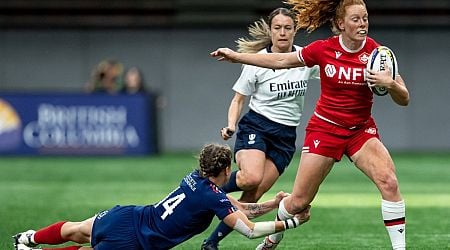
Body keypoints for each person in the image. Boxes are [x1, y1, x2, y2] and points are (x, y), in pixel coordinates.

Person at [210, 0, 410, 249]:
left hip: (360, 131)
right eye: (356, 19)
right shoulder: (323, 49)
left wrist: (391, 84)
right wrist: (236, 56)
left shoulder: (377, 53)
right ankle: (275, 237)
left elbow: (404, 98)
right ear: (340, 24)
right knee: (297, 203)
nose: (363, 25)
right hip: (324, 130)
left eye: (365, 18)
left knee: (389, 182)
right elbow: (281, 61)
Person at [13, 143, 311, 250]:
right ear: (225, 169)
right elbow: (248, 230)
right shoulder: (212, 197)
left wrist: (272, 203)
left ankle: (29, 238)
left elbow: (238, 207)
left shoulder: (197, 180)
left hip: (129, 215)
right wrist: (292, 222)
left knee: (76, 229)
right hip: (137, 243)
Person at [202, 7, 319, 250]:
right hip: (257, 126)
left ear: (295, 31)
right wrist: (231, 125)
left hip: (286, 136)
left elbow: (332, 69)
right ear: (270, 30)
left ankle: (211, 243)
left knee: (252, 198)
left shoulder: (305, 58)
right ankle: (205, 186)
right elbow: (238, 99)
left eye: (288, 28)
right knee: (251, 178)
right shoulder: (256, 62)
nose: (283, 32)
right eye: (277, 28)